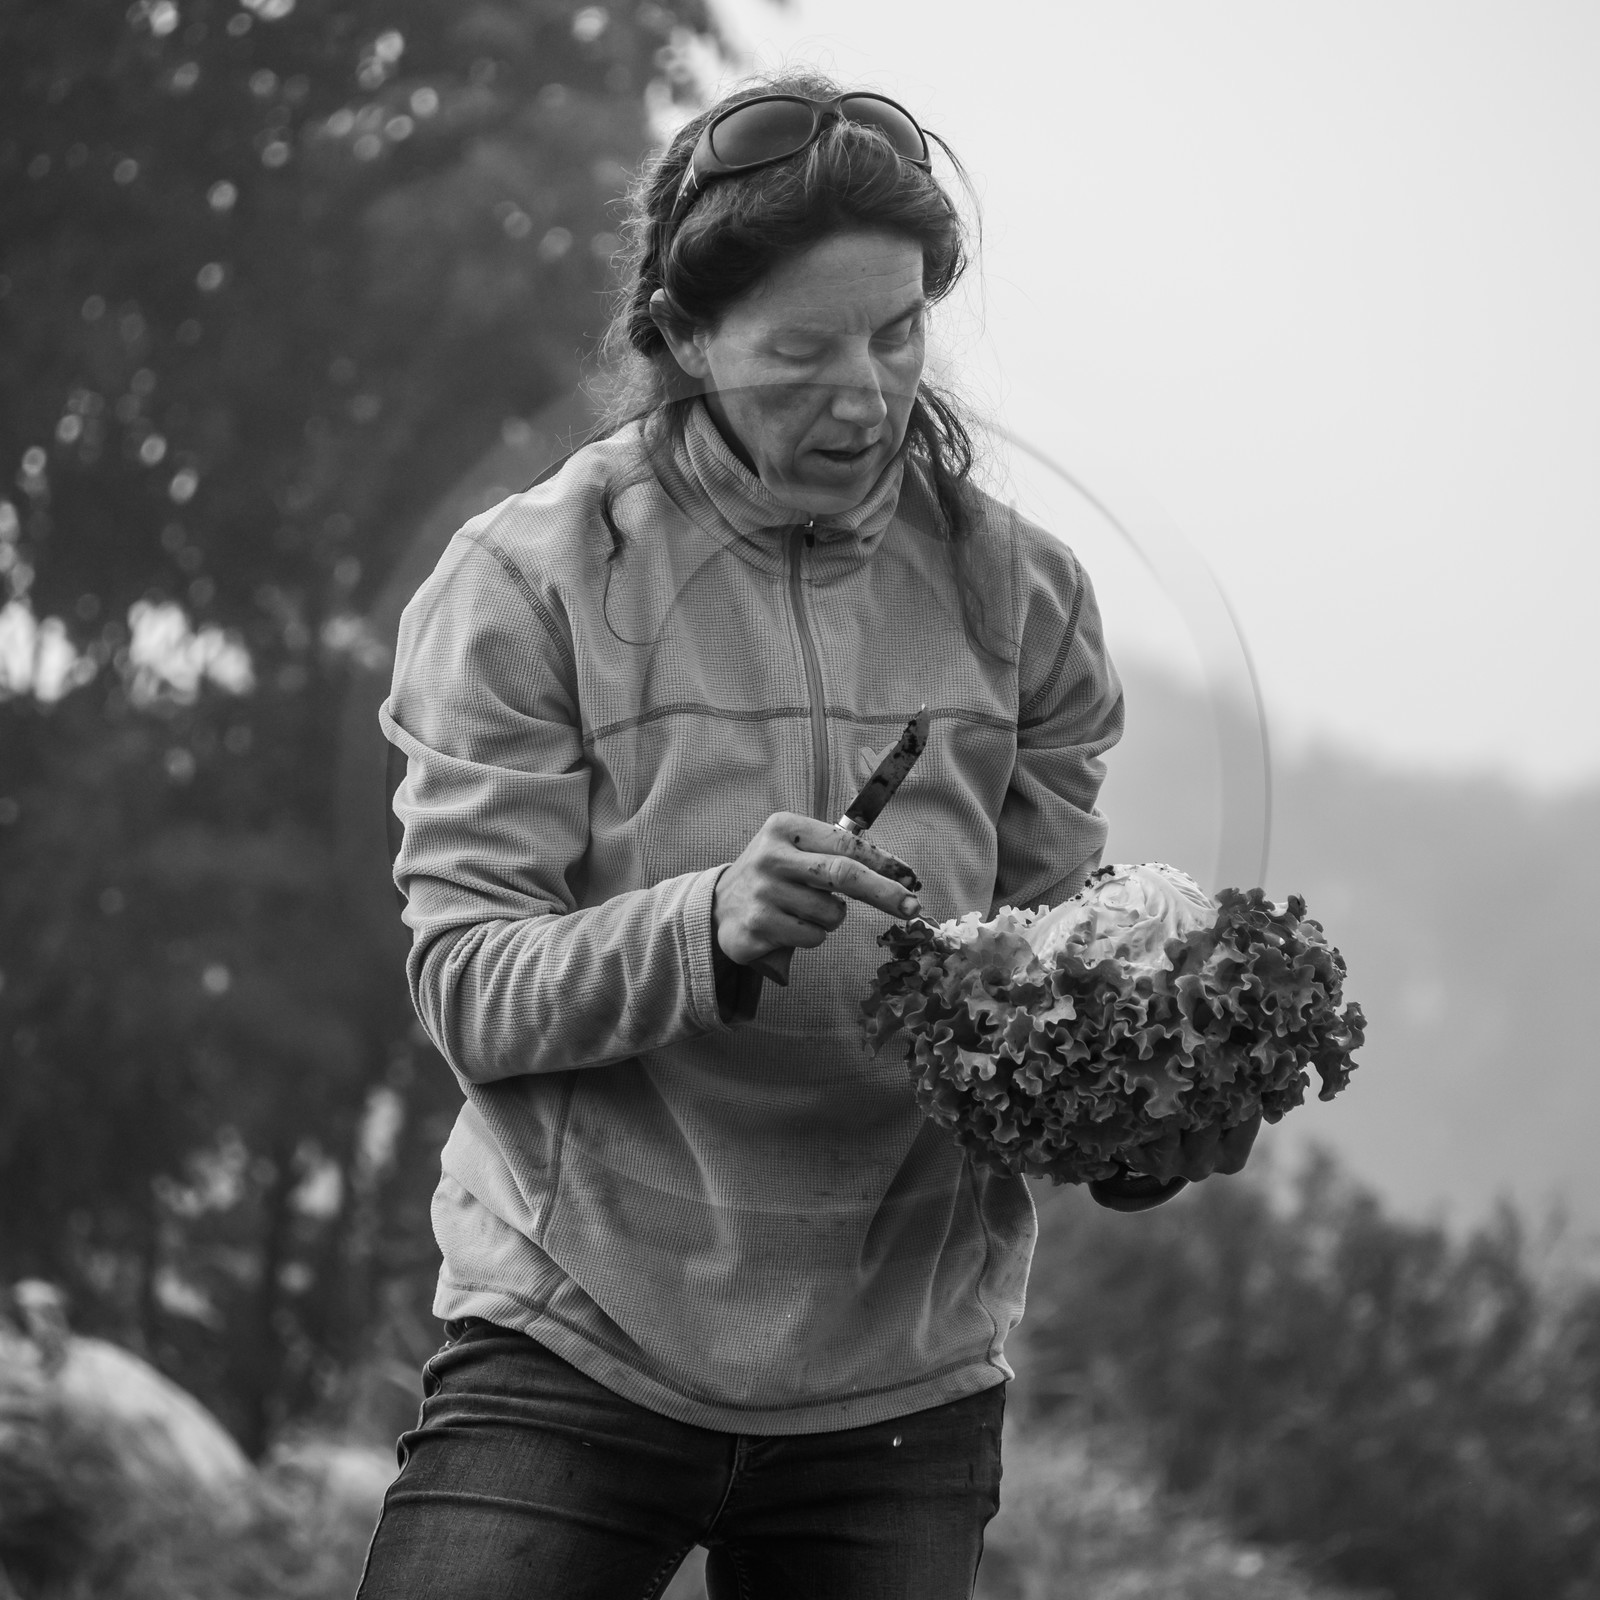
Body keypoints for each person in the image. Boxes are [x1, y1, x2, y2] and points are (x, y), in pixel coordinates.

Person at [360, 69, 1258, 1600]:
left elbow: (1032, 985)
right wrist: (703, 925)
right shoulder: (531, 585)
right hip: (573, 1338)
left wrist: (1141, 1108)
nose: (867, 394)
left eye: (897, 332)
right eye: (801, 351)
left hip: (896, 1395)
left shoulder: (1022, 599)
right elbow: (469, 986)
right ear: (684, 340)